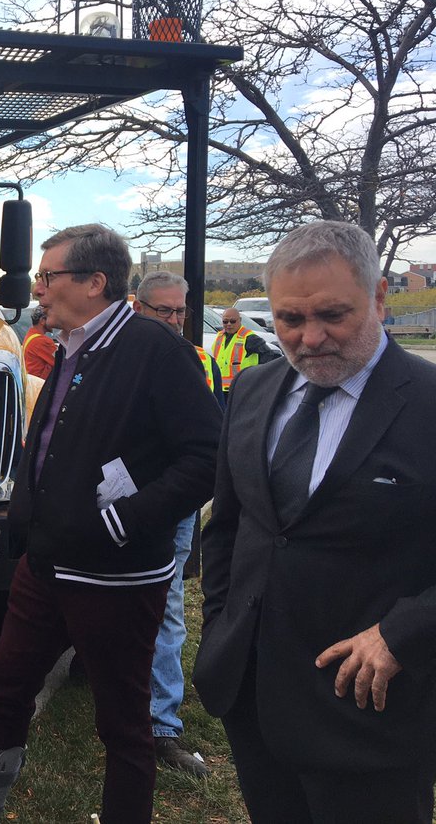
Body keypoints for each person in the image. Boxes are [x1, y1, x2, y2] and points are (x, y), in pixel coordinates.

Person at [0, 225, 221, 824]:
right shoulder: (68, 345)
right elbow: (53, 443)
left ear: (95, 282)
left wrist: (122, 523)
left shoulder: (156, 351)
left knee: (122, 722)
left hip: (116, 576)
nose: (37, 288)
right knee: (3, 690)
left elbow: (207, 460)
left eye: (48, 276)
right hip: (45, 564)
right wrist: (23, 520)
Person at [194, 219, 436, 823]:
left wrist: (403, 634)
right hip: (254, 699)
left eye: (333, 314)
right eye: (290, 320)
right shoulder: (252, 390)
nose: (310, 338)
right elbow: (232, 524)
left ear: (379, 297)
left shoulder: (429, 405)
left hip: (371, 715)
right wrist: (221, 626)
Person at [131, 270, 220, 778]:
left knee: (166, 609)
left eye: (178, 311)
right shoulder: (112, 356)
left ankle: (162, 727)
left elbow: (204, 441)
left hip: (172, 505)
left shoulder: (194, 359)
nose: (171, 320)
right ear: (137, 306)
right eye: (161, 310)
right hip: (119, 502)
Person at [212, 307, 279, 393]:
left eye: (232, 321)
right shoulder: (219, 336)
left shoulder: (250, 338)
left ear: (240, 320)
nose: (229, 324)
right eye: (225, 321)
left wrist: (256, 377)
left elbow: (269, 356)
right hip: (221, 389)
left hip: (242, 388)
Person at [21, 304, 56, 379]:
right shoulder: (42, 341)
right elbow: (61, 363)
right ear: (42, 321)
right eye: (51, 318)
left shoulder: (30, 336)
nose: (54, 322)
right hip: (40, 386)